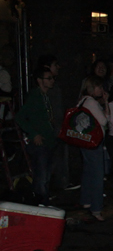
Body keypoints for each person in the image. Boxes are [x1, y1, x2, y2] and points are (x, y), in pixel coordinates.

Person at [15, 67, 57, 204]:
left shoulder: (45, 97)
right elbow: (20, 117)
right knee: (41, 177)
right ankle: (41, 204)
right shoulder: (35, 96)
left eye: (52, 78)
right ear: (39, 80)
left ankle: (43, 202)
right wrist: (33, 134)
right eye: (48, 78)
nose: (52, 81)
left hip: (49, 141)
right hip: (40, 144)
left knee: (46, 176)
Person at [77, 76, 109, 221]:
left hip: (84, 141)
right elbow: (104, 120)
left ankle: (86, 200)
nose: (101, 90)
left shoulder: (82, 100)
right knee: (97, 174)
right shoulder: (91, 102)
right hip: (93, 142)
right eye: (99, 87)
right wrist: (105, 103)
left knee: (88, 171)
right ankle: (96, 208)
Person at [35, 54, 68, 190]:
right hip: (50, 130)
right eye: (55, 65)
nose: (58, 67)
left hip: (57, 127)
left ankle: (60, 184)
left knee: (58, 156)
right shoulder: (39, 93)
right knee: (49, 161)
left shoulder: (55, 87)